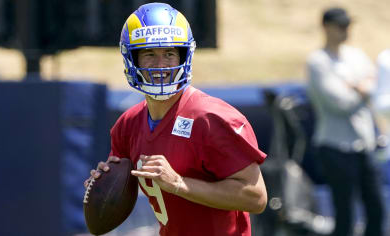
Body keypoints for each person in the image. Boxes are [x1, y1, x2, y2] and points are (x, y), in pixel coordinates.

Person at [84, 2, 267, 236]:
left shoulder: (213, 119)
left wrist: (180, 183)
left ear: (184, 56)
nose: (161, 65)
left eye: (169, 54)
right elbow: (118, 190)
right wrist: (101, 185)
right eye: (149, 54)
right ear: (132, 58)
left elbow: (256, 197)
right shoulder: (128, 125)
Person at [306, 7, 384, 236]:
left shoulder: (356, 55)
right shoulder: (317, 62)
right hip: (334, 147)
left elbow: (375, 84)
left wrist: (360, 88)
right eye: (341, 26)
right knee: (345, 213)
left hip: (364, 144)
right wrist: (364, 88)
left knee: (376, 208)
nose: (345, 30)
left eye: (347, 25)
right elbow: (339, 104)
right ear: (326, 27)